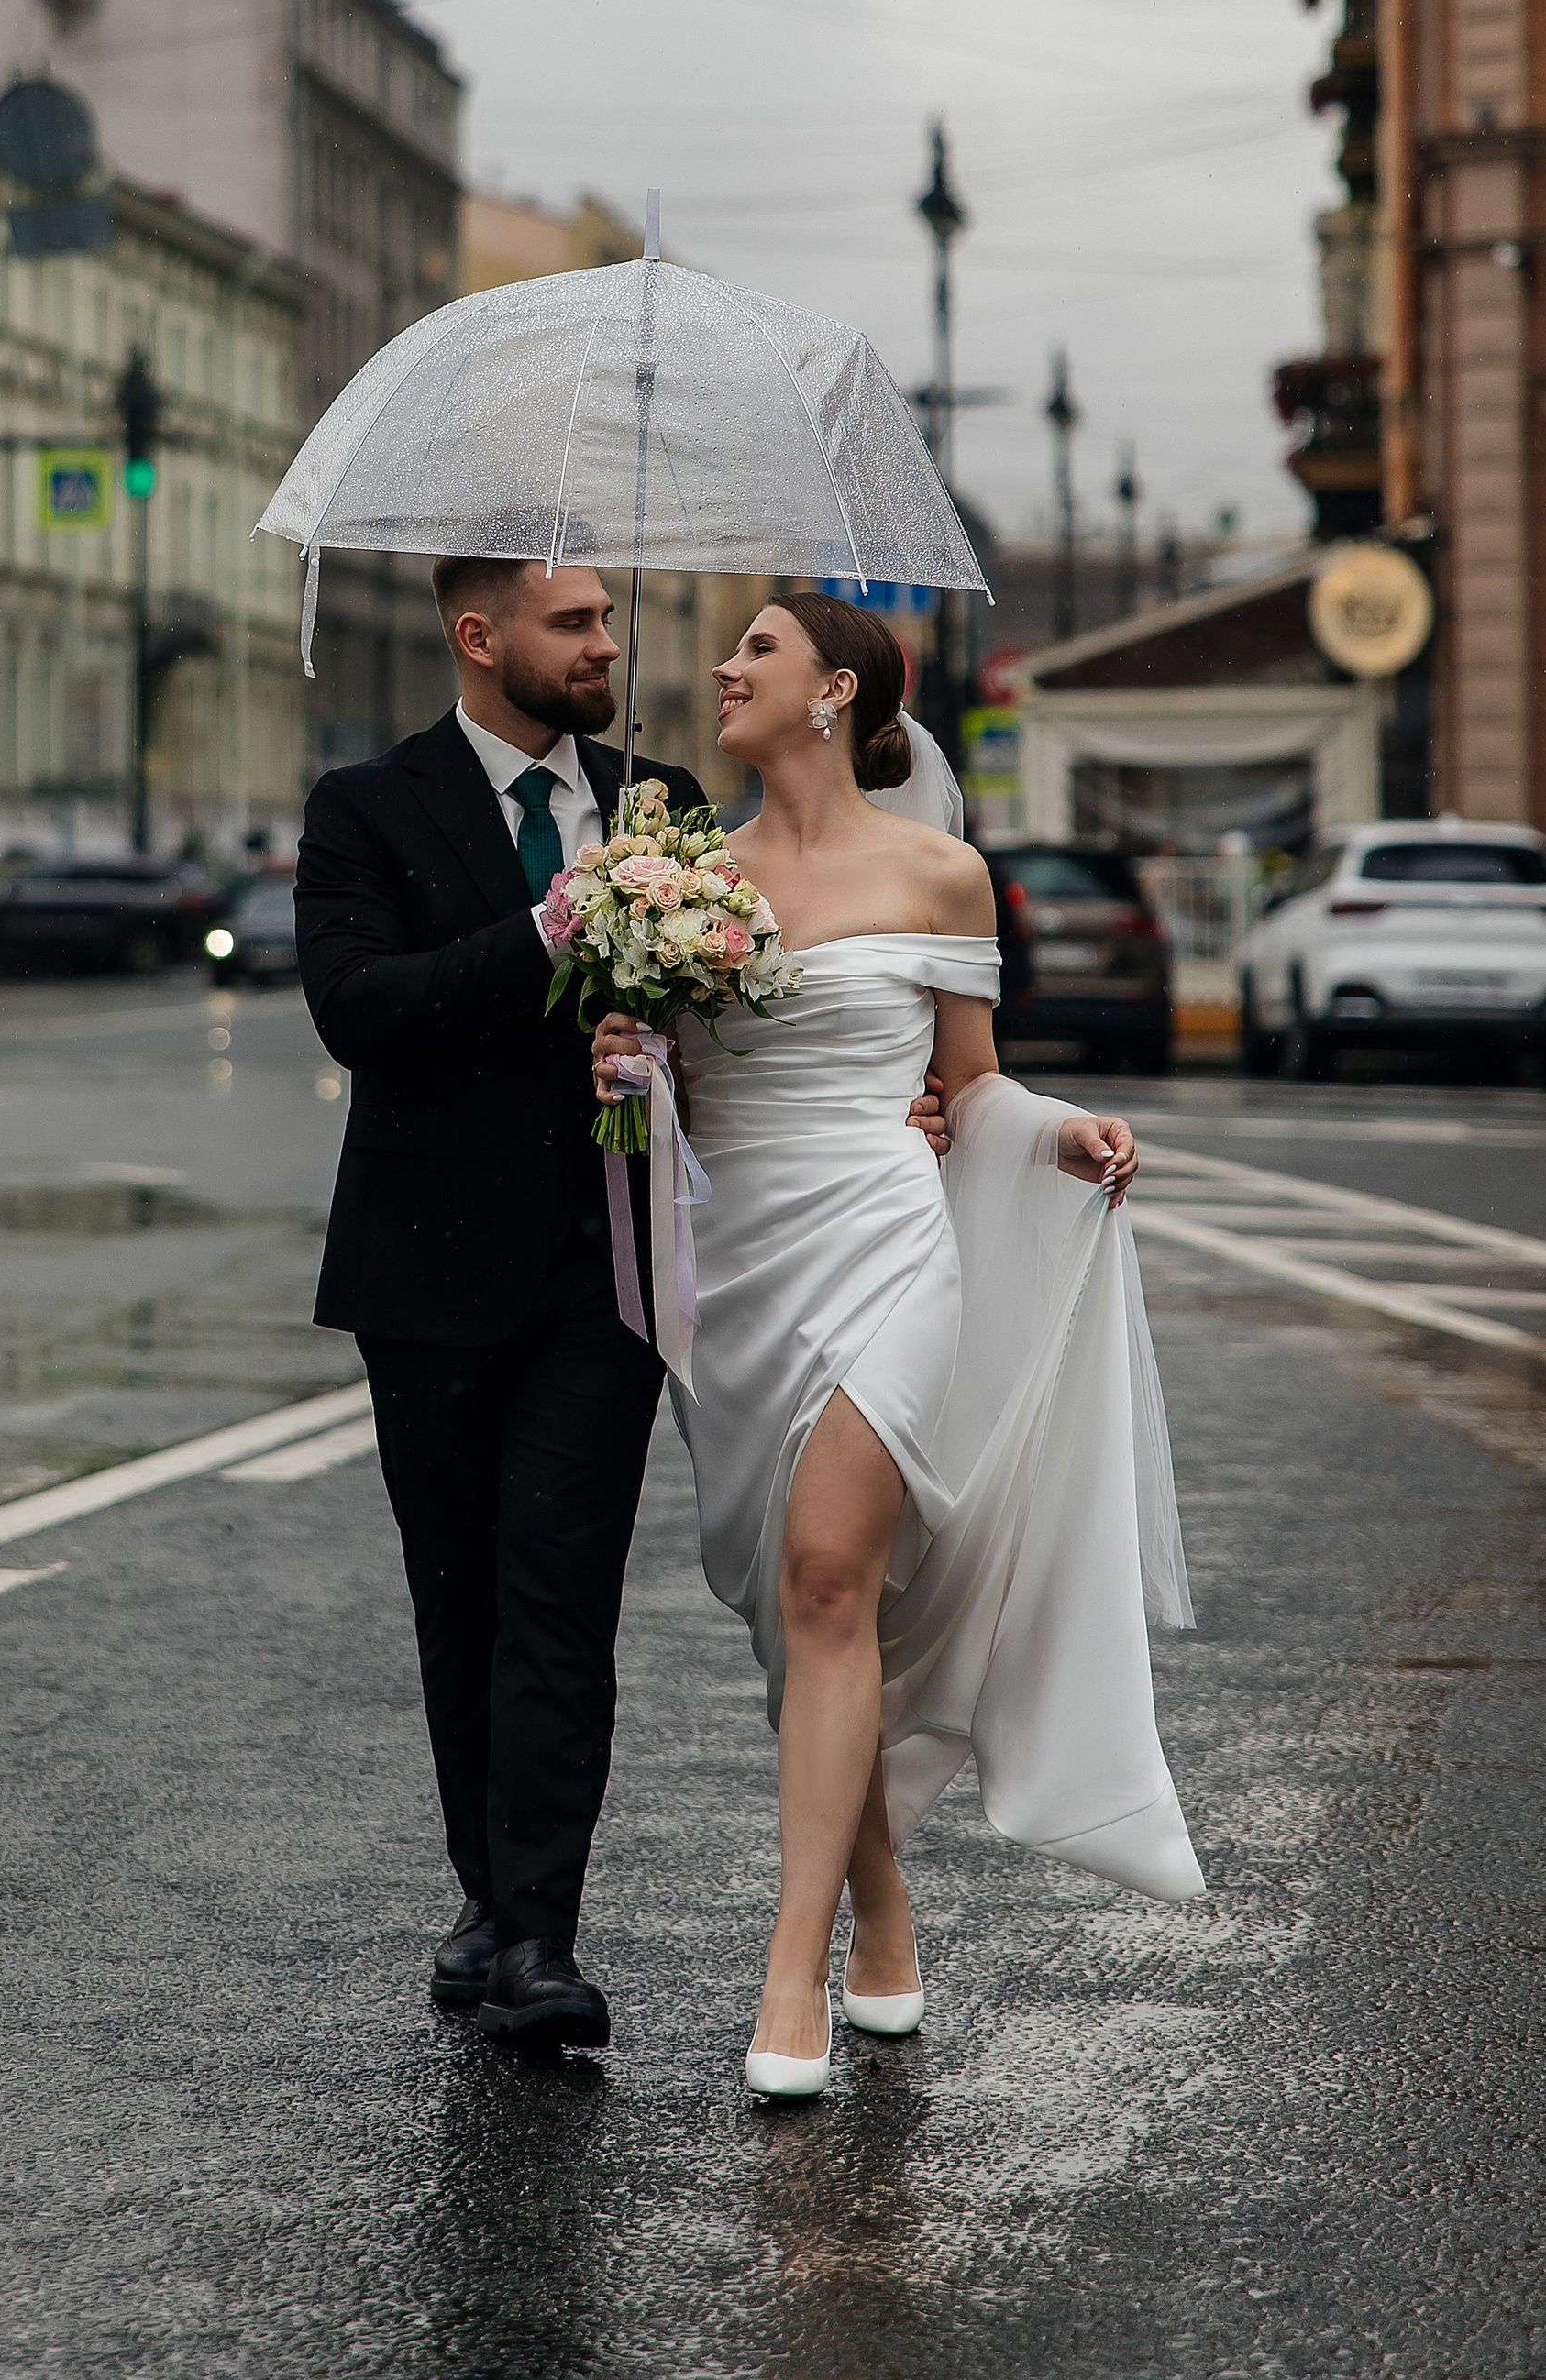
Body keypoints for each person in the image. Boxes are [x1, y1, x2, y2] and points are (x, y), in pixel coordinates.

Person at [593, 593, 1201, 2103]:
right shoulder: (667, 879)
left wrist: (1063, 1136)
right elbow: (641, 1097)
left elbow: (970, 1086)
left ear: (832, 693)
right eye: (726, 649)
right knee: (796, 1618)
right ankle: (878, 1899)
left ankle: (788, 1969)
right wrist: (618, 1061)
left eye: (758, 651)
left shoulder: (944, 875)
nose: (723, 671)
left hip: (884, 1245)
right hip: (731, 1274)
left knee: (826, 1581)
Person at [293, 557, 710, 2051]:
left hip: (603, 1268)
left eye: (608, 619)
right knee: (459, 1599)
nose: (609, 643)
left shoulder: (662, 806)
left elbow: (725, 1013)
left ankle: (540, 1933)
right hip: (426, 1266)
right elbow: (358, 1008)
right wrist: (545, 936)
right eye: (574, 623)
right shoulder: (368, 806)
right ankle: (484, 1894)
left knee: (558, 1597)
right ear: (481, 639)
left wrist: (654, 1036)